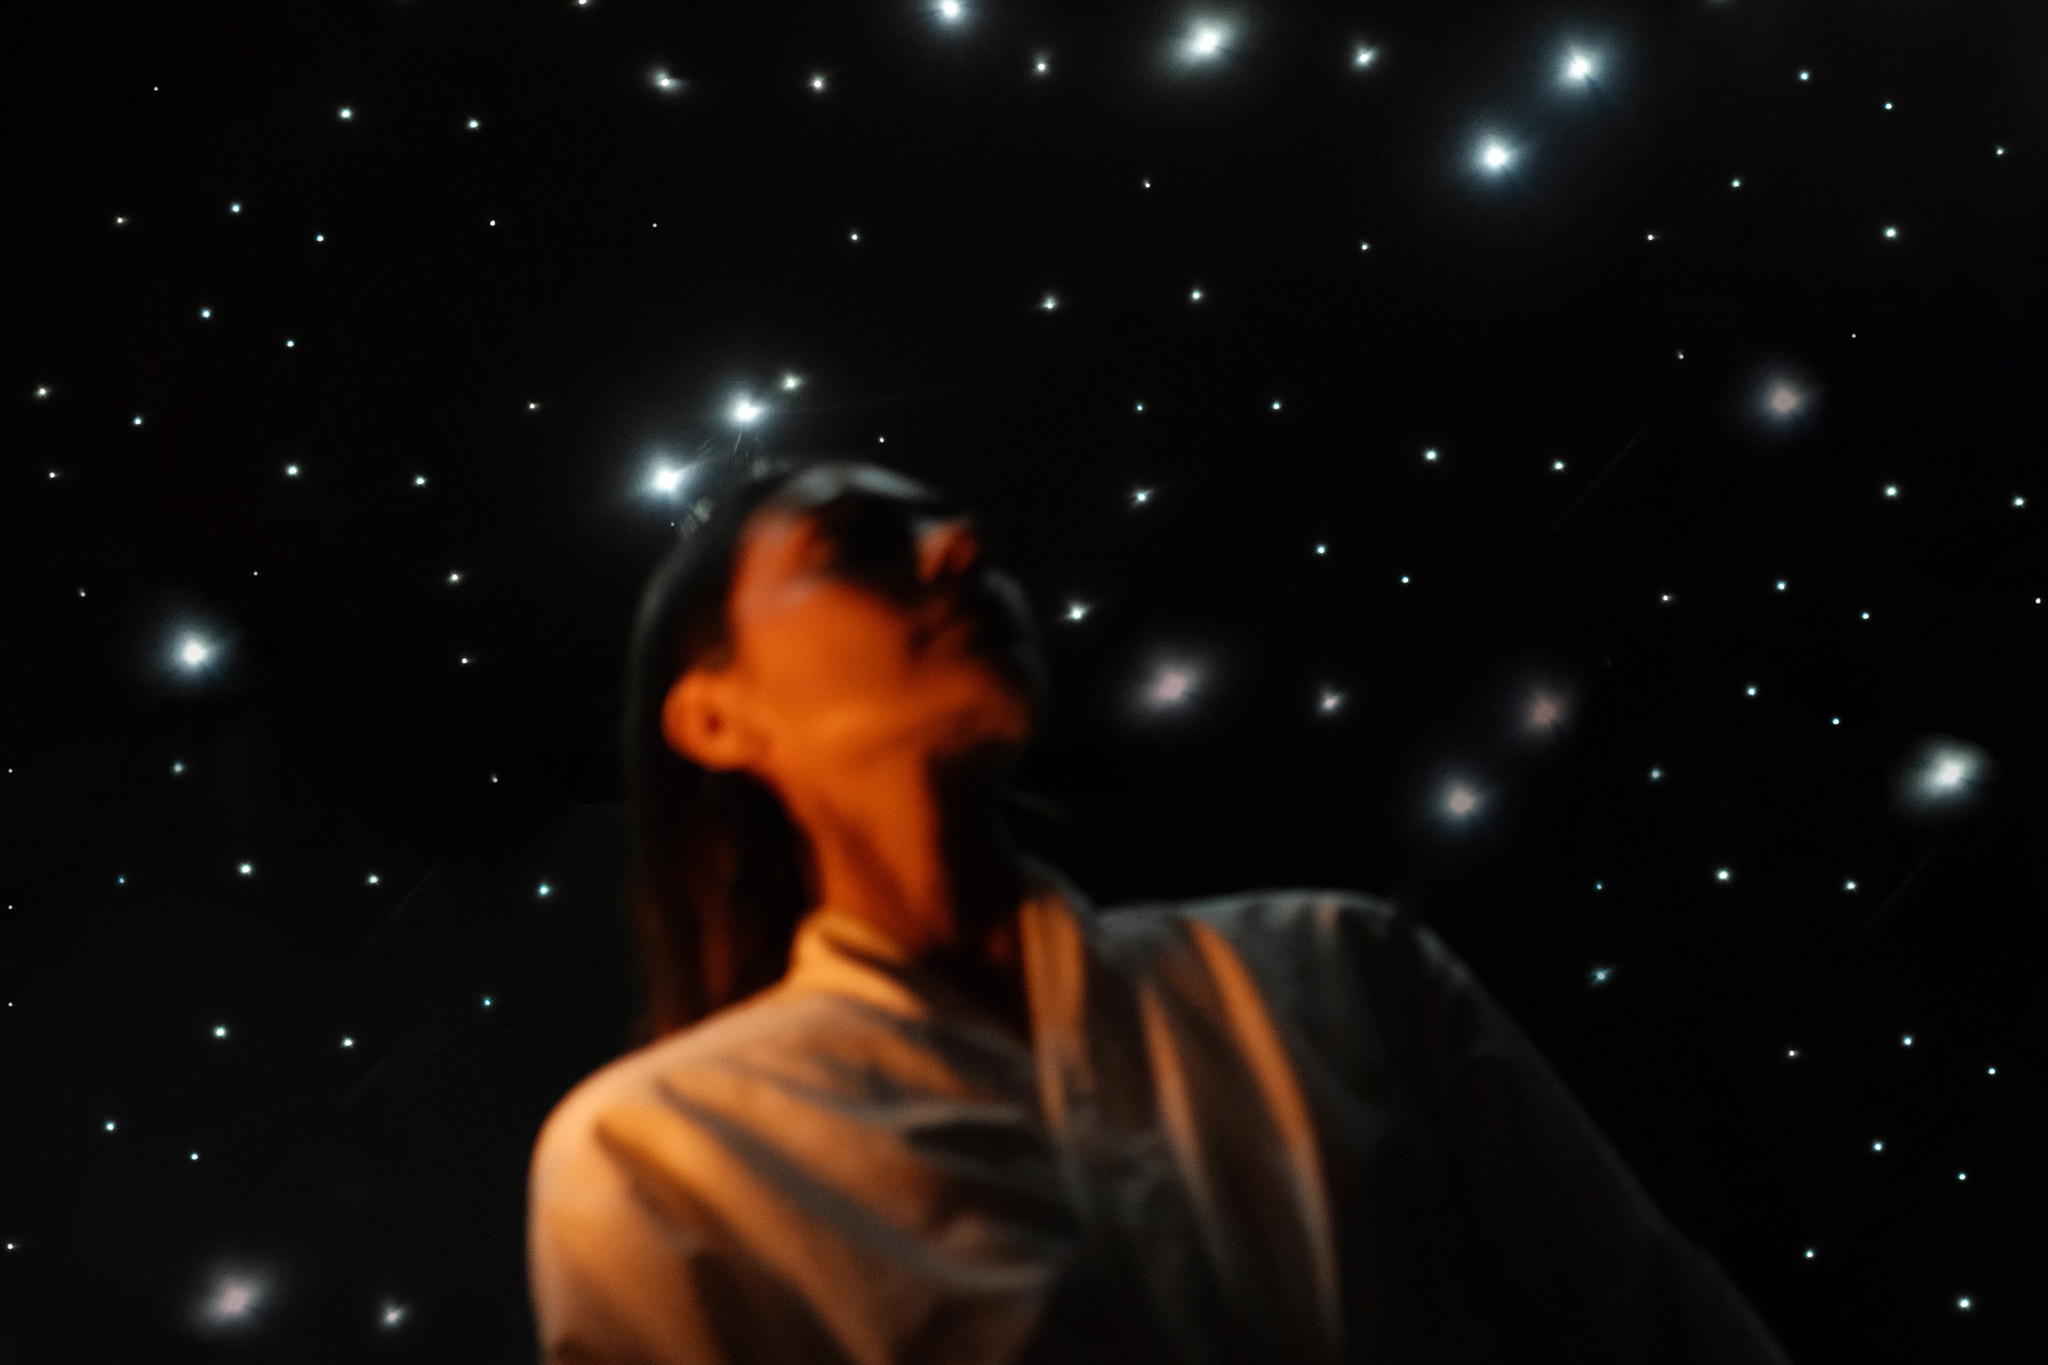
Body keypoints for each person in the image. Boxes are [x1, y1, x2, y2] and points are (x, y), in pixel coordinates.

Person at [526, 457, 1794, 1365]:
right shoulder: (660, 1159)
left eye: (959, 525)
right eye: (854, 543)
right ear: (714, 717)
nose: (961, 547)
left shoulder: (1344, 973)